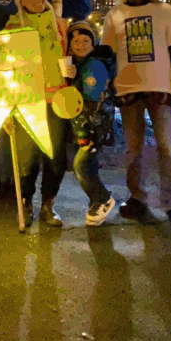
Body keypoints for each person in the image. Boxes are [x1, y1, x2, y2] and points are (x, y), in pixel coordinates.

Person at [100, 0, 171, 228]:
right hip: (128, 88)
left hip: (161, 88)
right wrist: (107, 87)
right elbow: (107, 54)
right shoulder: (114, 15)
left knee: (166, 146)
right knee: (133, 149)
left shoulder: (164, 12)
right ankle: (137, 197)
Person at [0, 0, 71, 227]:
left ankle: (49, 203)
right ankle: (25, 202)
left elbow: (71, 56)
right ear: (21, 0)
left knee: (56, 158)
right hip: (27, 102)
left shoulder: (59, 25)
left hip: (58, 100)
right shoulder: (12, 28)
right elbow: (3, 70)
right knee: (26, 159)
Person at [66, 20, 116, 226]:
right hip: (89, 125)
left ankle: (103, 199)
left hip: (94, 126)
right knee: (89, 165)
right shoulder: (81, 64)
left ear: (93, 42)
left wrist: (84, 134)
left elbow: (91, 101)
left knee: (81, 165)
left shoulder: (94, 65)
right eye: (75, 40)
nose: (80, 44)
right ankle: (96, 204)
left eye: (85, 39)